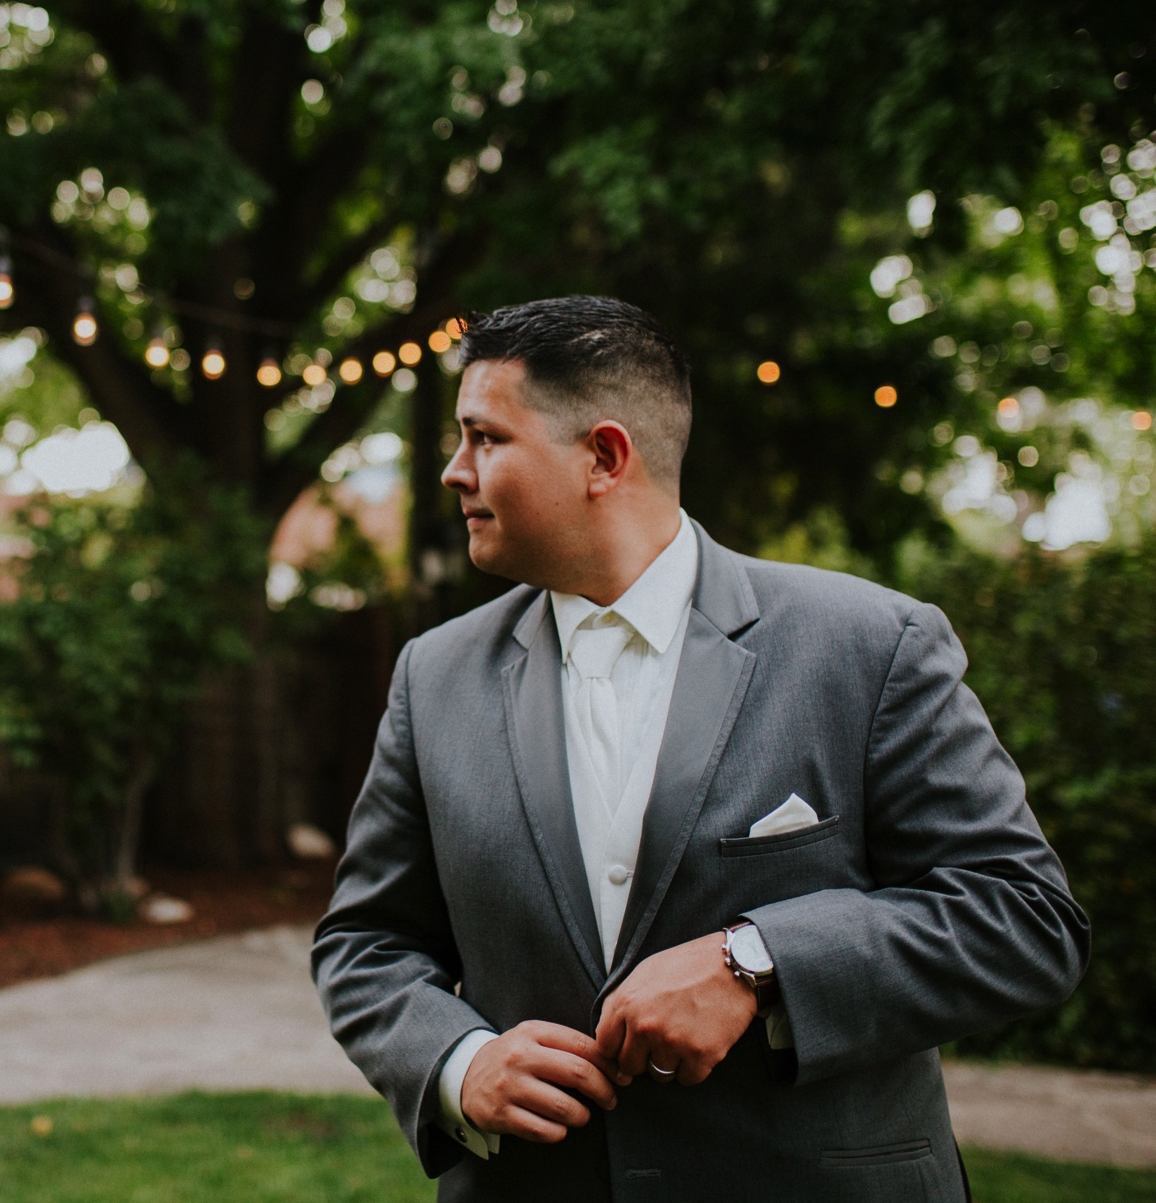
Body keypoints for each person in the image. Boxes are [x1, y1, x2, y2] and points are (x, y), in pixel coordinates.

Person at [312, 296, 1088, 1200]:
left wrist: (756, 964)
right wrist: (455, 1062)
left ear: (604, 457)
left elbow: (1025, 919)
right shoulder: (432, 677)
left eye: (486, 438)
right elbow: (366, 941)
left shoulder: (870, 647)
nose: (454, 470)